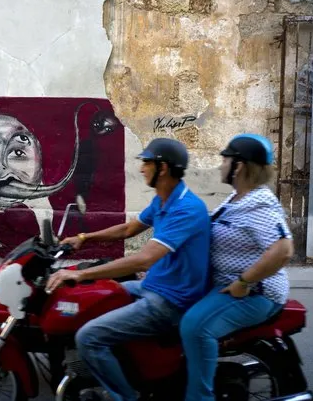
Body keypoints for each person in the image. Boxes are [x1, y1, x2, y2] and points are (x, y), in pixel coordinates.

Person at [46, 138, 211, 401]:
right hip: (152, 286)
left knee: (89, 336)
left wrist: (80, 274)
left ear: (163, 168)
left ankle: (125, 396)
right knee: (91, 301)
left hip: (169, 302)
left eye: (146, 162)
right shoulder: (163, 200)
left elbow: (144, 259)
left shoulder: (186, 209)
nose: (141, 168)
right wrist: (84, 238)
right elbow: (128, 229)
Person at [179, 134, 294, 401]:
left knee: (195, 327)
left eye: (225, 159)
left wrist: (244, 282)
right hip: (225, 285)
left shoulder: (259, 204)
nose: (220, 165)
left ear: (239, 166)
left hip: (256, 294)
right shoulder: (237, 200)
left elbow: (283, 249)